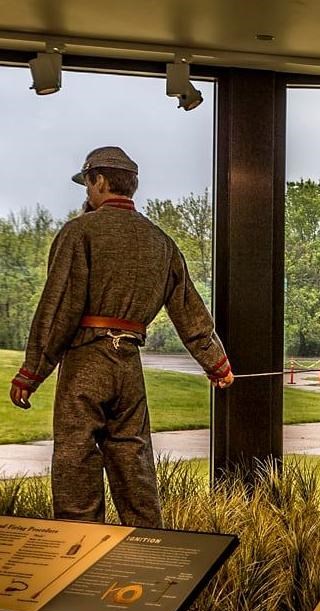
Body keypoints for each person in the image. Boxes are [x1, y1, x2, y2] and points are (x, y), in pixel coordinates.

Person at [8, 147, 234, 528]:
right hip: (129, 366)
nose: (87, 192)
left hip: (86, 362)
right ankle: (148, 556)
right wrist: (216, 363)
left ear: (99, 180)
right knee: (135, 468)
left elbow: (58, 308)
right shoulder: (160, 241)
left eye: (88, 183)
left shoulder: (79, 232)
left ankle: (78, 560)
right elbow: (189, 309)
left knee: (75, 463)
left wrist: (32, 372)